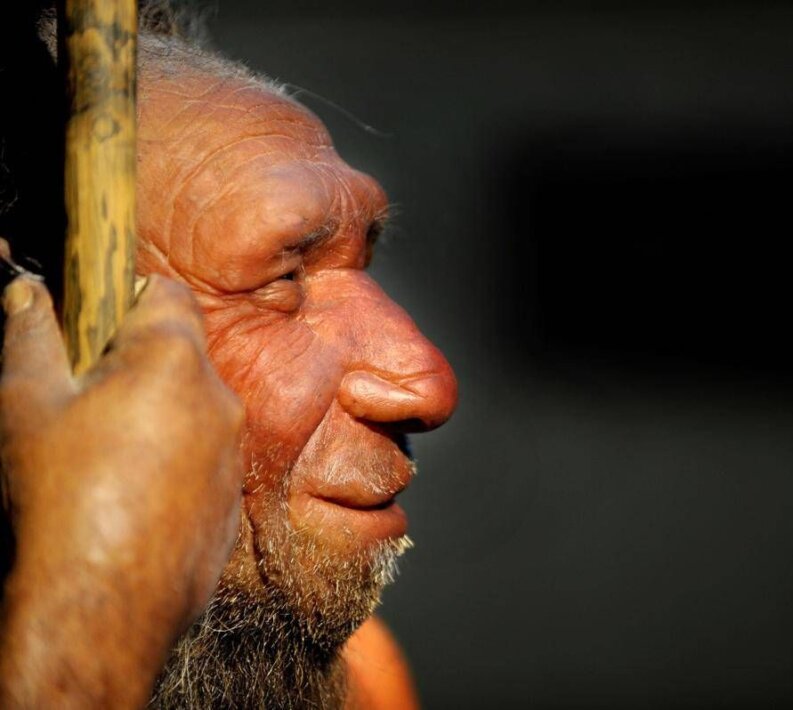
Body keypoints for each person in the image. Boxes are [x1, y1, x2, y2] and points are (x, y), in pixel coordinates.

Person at [0, 2, 458, 707]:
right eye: (282, 279)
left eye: (363, 259)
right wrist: (81, 633)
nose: (426, 387)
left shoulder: (364, 683)